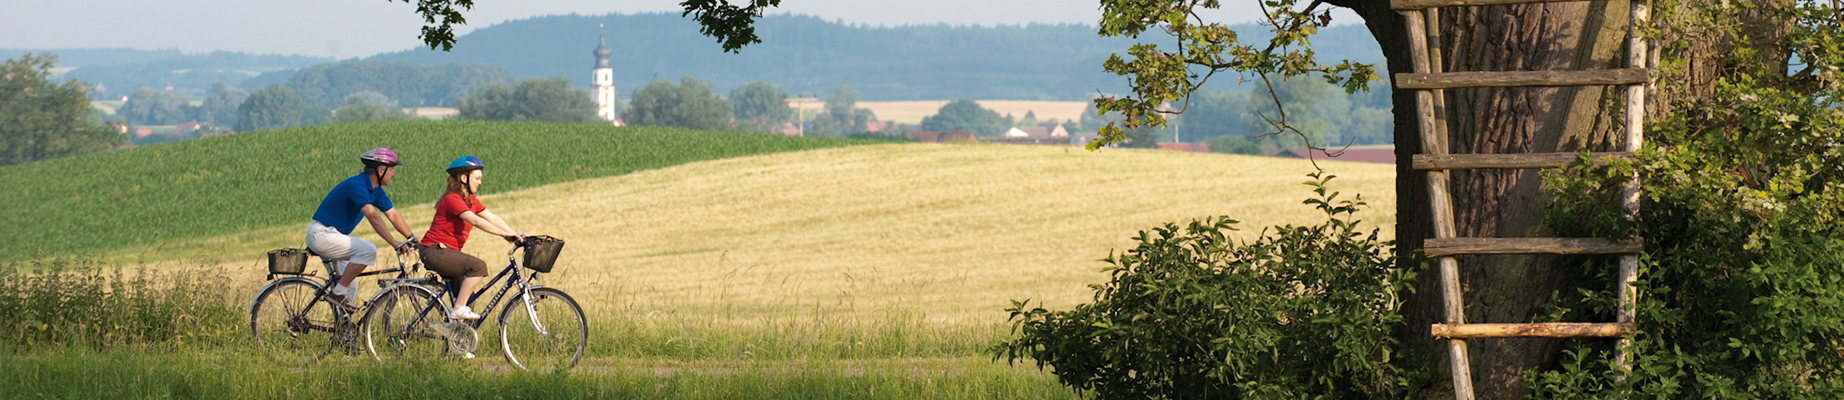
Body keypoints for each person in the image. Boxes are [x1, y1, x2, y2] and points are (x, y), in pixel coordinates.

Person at [307, 147, 418, 309]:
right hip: (322, 234)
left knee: (350, 286)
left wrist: (412, 237)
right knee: (368, 251)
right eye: (392, 169)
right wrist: (394, 243)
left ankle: (343, 331)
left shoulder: (375, 191)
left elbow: (392, 214)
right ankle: (336, 294)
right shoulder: (356, 185)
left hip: (332, 236)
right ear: (381, 171)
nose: (393, 174)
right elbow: (373, 216)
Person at [419, 155, 523, 321]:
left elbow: (493, 218)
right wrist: (504, 234)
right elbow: (475, 220)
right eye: (477, 178)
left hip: (445, 252)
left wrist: (516, 234)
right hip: (434, 250)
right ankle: (458, 309)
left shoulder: (471, 200)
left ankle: (456, 339)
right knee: (478, 267)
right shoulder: (452, 199)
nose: (480, 182)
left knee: (469, 299)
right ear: (463, 177)